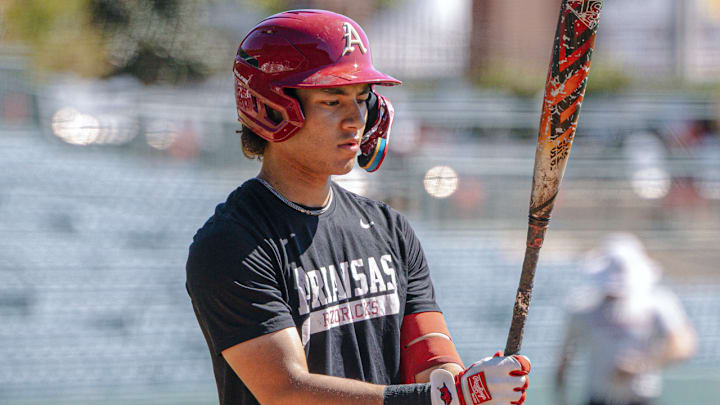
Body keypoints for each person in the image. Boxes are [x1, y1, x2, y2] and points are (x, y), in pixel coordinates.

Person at [186, 9, 530, 405]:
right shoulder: (233, 243)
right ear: (270, 108)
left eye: (362, 99)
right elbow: (286, 390)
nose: (355, 120)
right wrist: (442, 399)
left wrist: (469, 387)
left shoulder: (389, 228)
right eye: (332, 100)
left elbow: (431, 360)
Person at [554, 233, 697, 405]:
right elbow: (564, 360)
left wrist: (642, 365)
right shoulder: (583, 308)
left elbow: (683, 345)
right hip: (597, 398)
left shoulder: (657, 303)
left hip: (640, 398)